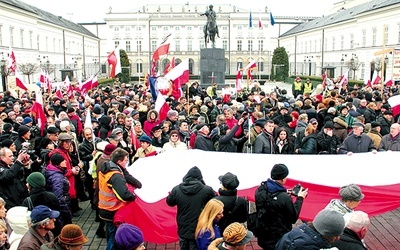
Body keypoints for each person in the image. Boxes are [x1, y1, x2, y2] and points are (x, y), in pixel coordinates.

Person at [254, 163, 308, 249]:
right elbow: (293, 218)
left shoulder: (260, 189)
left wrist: (283, 192)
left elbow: (270, 199)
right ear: (283, 179)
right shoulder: (284, 198)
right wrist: (300, 198)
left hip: (263, 233)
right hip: (278, 237)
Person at [98, 148, 140, 250]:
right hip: (111, 211)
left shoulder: (109, 166)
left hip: (104, 208)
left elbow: (125, 174)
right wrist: (134, 197)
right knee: (114, 237)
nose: (127, 162)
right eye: (126, 161)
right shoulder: (115, 175)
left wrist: (138, 184)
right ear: (119, 161)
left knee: (110, 234)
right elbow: (124, 195)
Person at [166, 166, 217, 250]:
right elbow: (216, 202)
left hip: (183, 227)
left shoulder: (176, 189)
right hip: (200, 228)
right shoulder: (207, 190)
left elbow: (169, 202)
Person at [276, 208, 345, 249]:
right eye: (335, 235)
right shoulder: (309, 247)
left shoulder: (294, 233)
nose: (338, 238)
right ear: (325, 233)